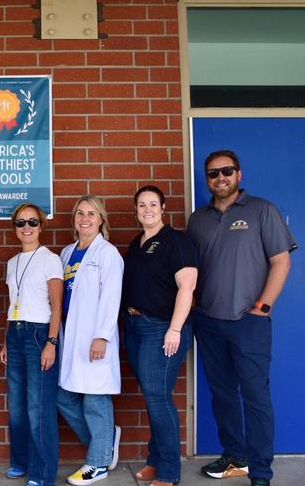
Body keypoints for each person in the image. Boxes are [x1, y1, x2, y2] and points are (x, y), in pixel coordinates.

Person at [187, 150, 296, 486]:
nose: (220, 178)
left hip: (248, 323)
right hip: (208, 321)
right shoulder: (198, 219)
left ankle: (261, 472)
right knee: (222, 394)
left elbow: (281, 262)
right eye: (213, 173)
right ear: (206, 179)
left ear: (239, 174)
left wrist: (262, 307)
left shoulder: (262, 210)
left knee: (255, 397)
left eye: (227, 171)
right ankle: (235, 456)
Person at [122, 186, 197, 486]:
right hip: (135, 327)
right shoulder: (135, 243)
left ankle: (168, 471)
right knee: (155, 396)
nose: (147, 210)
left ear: (163, 208)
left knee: (158, 399)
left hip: (162, 327)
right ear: (136, 210)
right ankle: (155, 459)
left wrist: (175, 329)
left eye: (153, 204)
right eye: (142, 205)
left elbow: (187, 287)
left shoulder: (176, 241)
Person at [57, 195, 123, 486]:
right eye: (80, 213)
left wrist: (101, 336)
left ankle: (98, 463)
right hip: (70, 336)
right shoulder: (66, 252)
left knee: (96, 399)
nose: (85, 218)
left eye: (92, 214)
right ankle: (105, 441)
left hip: (95, 336)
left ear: (101, 220)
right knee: (64, 397)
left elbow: (111, 299)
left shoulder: (107, 254)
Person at [0, 203, 63, 486]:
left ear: (41, 226)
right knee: (17, 405)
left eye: (32, 222)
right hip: (15, 333)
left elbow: (57, 304)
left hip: (39, 335)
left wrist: (51, 341)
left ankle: (43, 472)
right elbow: (14, 304)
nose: (26, 228)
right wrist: (5, 340)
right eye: (21, 223)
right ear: (14, 227)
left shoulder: (50, 259)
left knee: (39, 406)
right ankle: (20, 461)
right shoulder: (11, 263)